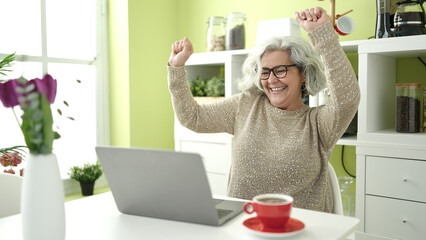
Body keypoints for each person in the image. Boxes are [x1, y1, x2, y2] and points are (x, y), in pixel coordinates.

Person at [167, 7, 360, 213]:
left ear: (303, 73)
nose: (271, 79)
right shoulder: (246, 105)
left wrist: (322, 34)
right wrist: (176, 69)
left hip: (298, 230)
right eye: (265, 72)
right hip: (242, 225)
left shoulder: (319, 123)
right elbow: (193, 118)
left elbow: (348, 98)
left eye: (280, 70)